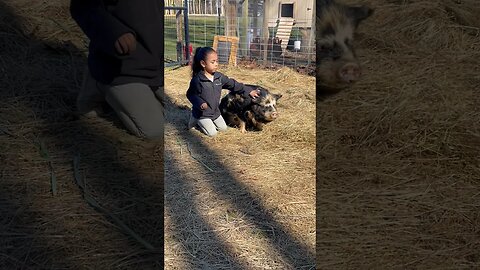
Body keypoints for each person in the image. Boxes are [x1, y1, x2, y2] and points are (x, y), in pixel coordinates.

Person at [70, 0, 164, 139]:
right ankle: (97, 83)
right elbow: (82, 5)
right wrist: (113, 31)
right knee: (156, 130)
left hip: (156, 65)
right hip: (122, 67)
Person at [186, 47, 260, 137]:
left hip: (215, 112)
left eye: (217, 61)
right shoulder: (197, 80)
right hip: (203, 113)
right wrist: (200, 103)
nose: (216, 64)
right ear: (203, 63)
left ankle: (208, 122)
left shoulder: (219, 77)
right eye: (212, 62)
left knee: (224, 129)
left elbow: (234, 85)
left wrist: (249, 91)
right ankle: (196, 119)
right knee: (213, 134)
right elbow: (190, 94)